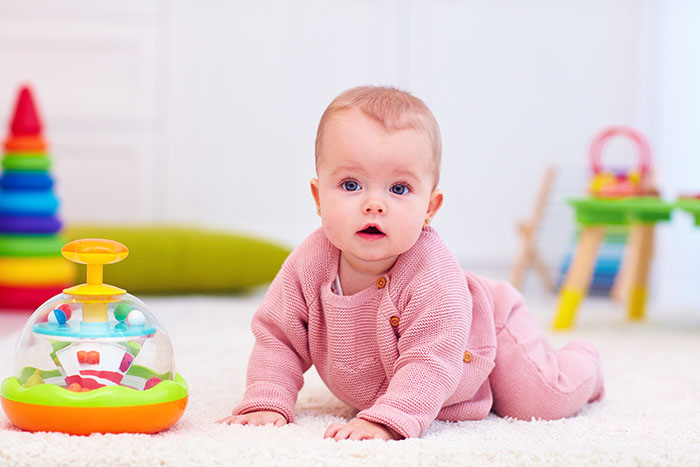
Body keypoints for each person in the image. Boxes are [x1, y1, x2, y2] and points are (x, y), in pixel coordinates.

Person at [218, 86, 604, 440]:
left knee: (539, 400)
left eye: (399, 189)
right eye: (351, 185)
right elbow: (279, 337)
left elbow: (430, 357)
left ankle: (586, 362)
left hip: (489, 330)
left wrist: (388, 418)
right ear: (319, 197)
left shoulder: (432, 274)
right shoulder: (309, 262)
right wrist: (268, 399)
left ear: (429, 208)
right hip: (403, 379)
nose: (374, 203)